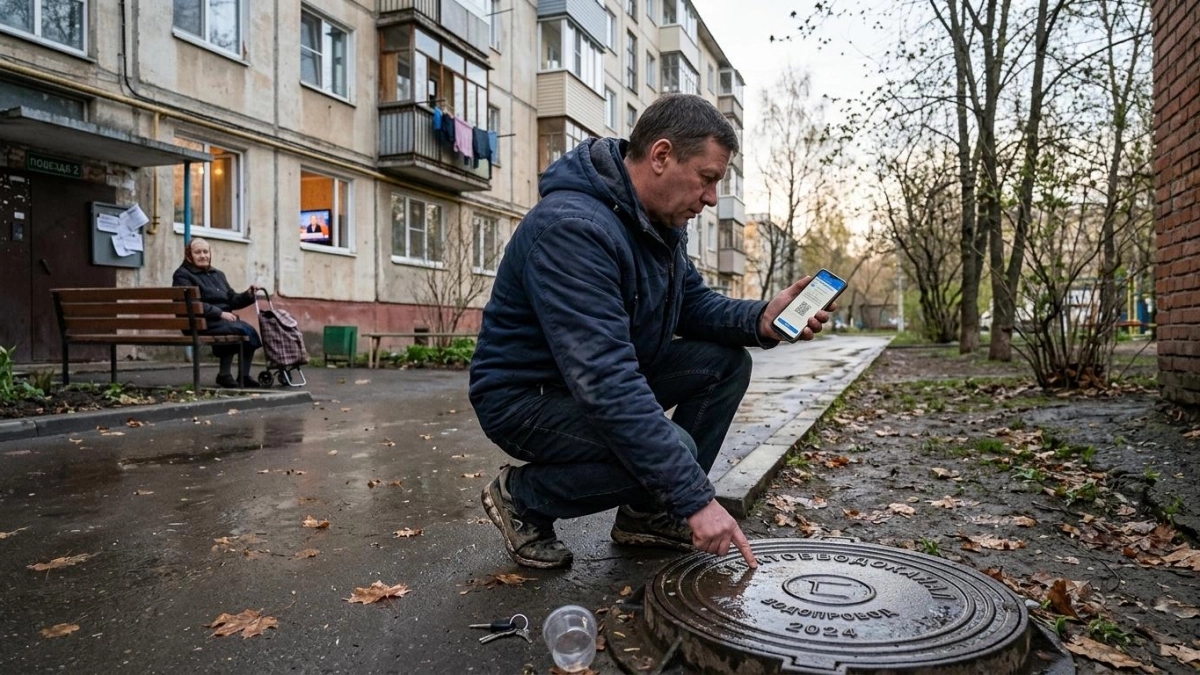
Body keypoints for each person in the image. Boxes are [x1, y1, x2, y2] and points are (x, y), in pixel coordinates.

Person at [468, 94, 832, 570]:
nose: (710, 198)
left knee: (723, 364)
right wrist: (695, 499)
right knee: (672, 454)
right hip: (526, 400)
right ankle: (524, 498)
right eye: (707, 179)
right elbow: (606, 382)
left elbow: (693, 303)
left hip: (586, 383)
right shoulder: (572, 230)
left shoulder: (655, 223)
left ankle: (646, 516)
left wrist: (762, 317)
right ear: (661, 156)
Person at [172, 237, 263, 388]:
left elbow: (232, 299)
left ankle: (238, 376)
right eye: (198, 252)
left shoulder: (218, 274)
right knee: (243, 329)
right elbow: (190, 304)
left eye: (205, 252)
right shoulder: (183, 275)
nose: (203, 255)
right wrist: (219, 313)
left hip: (219, 321)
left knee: (244, 329)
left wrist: (248, 295)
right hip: (198, 322)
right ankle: (228, 375)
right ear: (189, 256)